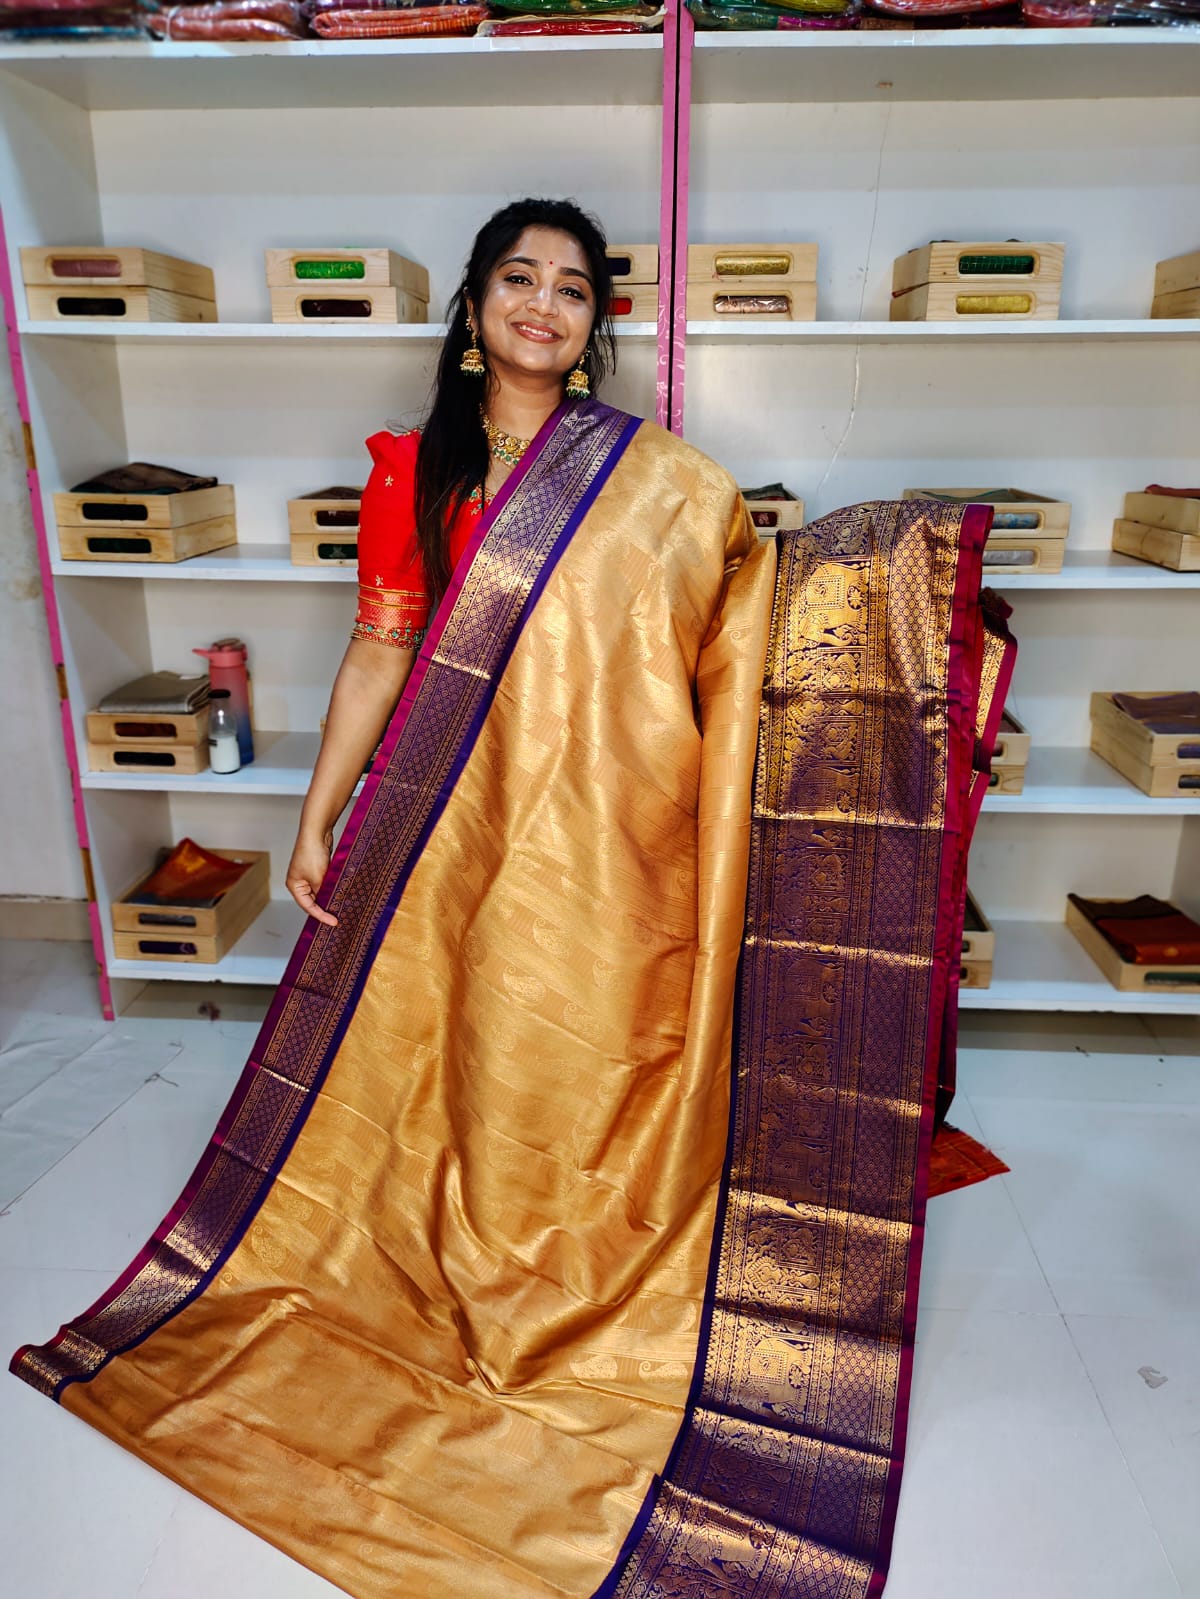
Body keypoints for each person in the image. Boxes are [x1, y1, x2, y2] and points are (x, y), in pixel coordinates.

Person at [11, 198, 1013, 1599]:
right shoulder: (415, 470)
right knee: (469, 1045)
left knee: (592, 1039)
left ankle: (581, 1252)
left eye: (572, 287)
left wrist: (889, 581)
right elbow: (381, 648)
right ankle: (465, 1248)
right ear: (476, 309)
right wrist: (318, 815)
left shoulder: (659, 479)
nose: (544, 303)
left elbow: (748, 611)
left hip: (620, 822)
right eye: (519, 279)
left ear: (596, 322)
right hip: (459, 823)